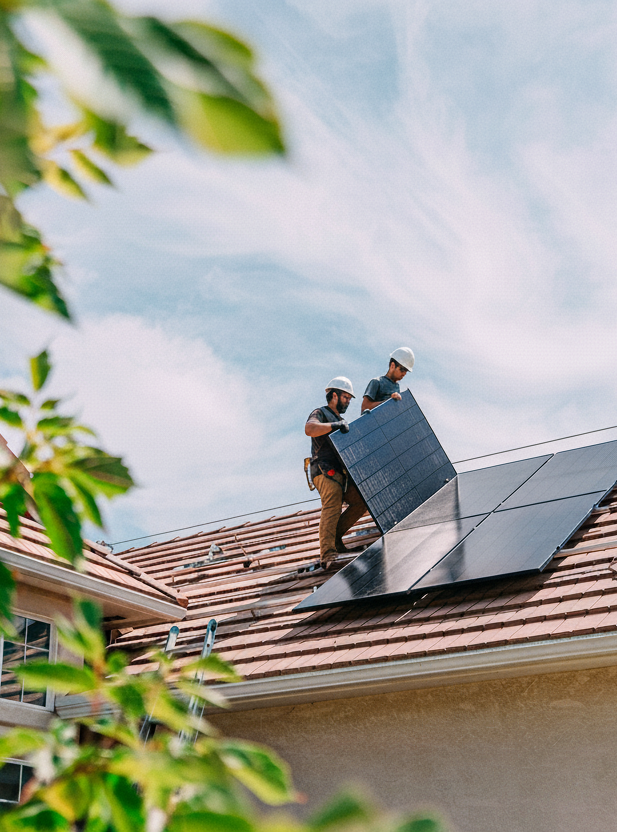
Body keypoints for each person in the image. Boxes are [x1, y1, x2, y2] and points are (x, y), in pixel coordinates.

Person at [305, 377, 367, 568]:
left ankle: (336, 539)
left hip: (341, 475)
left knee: (360, 501)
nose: (348, 401)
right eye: (346, 397)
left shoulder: (342, 421)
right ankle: (328, 553)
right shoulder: (320, 414)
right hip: (324, 470)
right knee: (332, 502)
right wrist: (334, 426)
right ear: (334, 395)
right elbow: (309, 429)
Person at [361, 347, 415, 413]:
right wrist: (389, 402)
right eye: (402, 369)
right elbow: (365, 408)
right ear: (392, 366)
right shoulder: (376, 382)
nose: (404, 373)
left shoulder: (397, 388)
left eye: (406, 371)